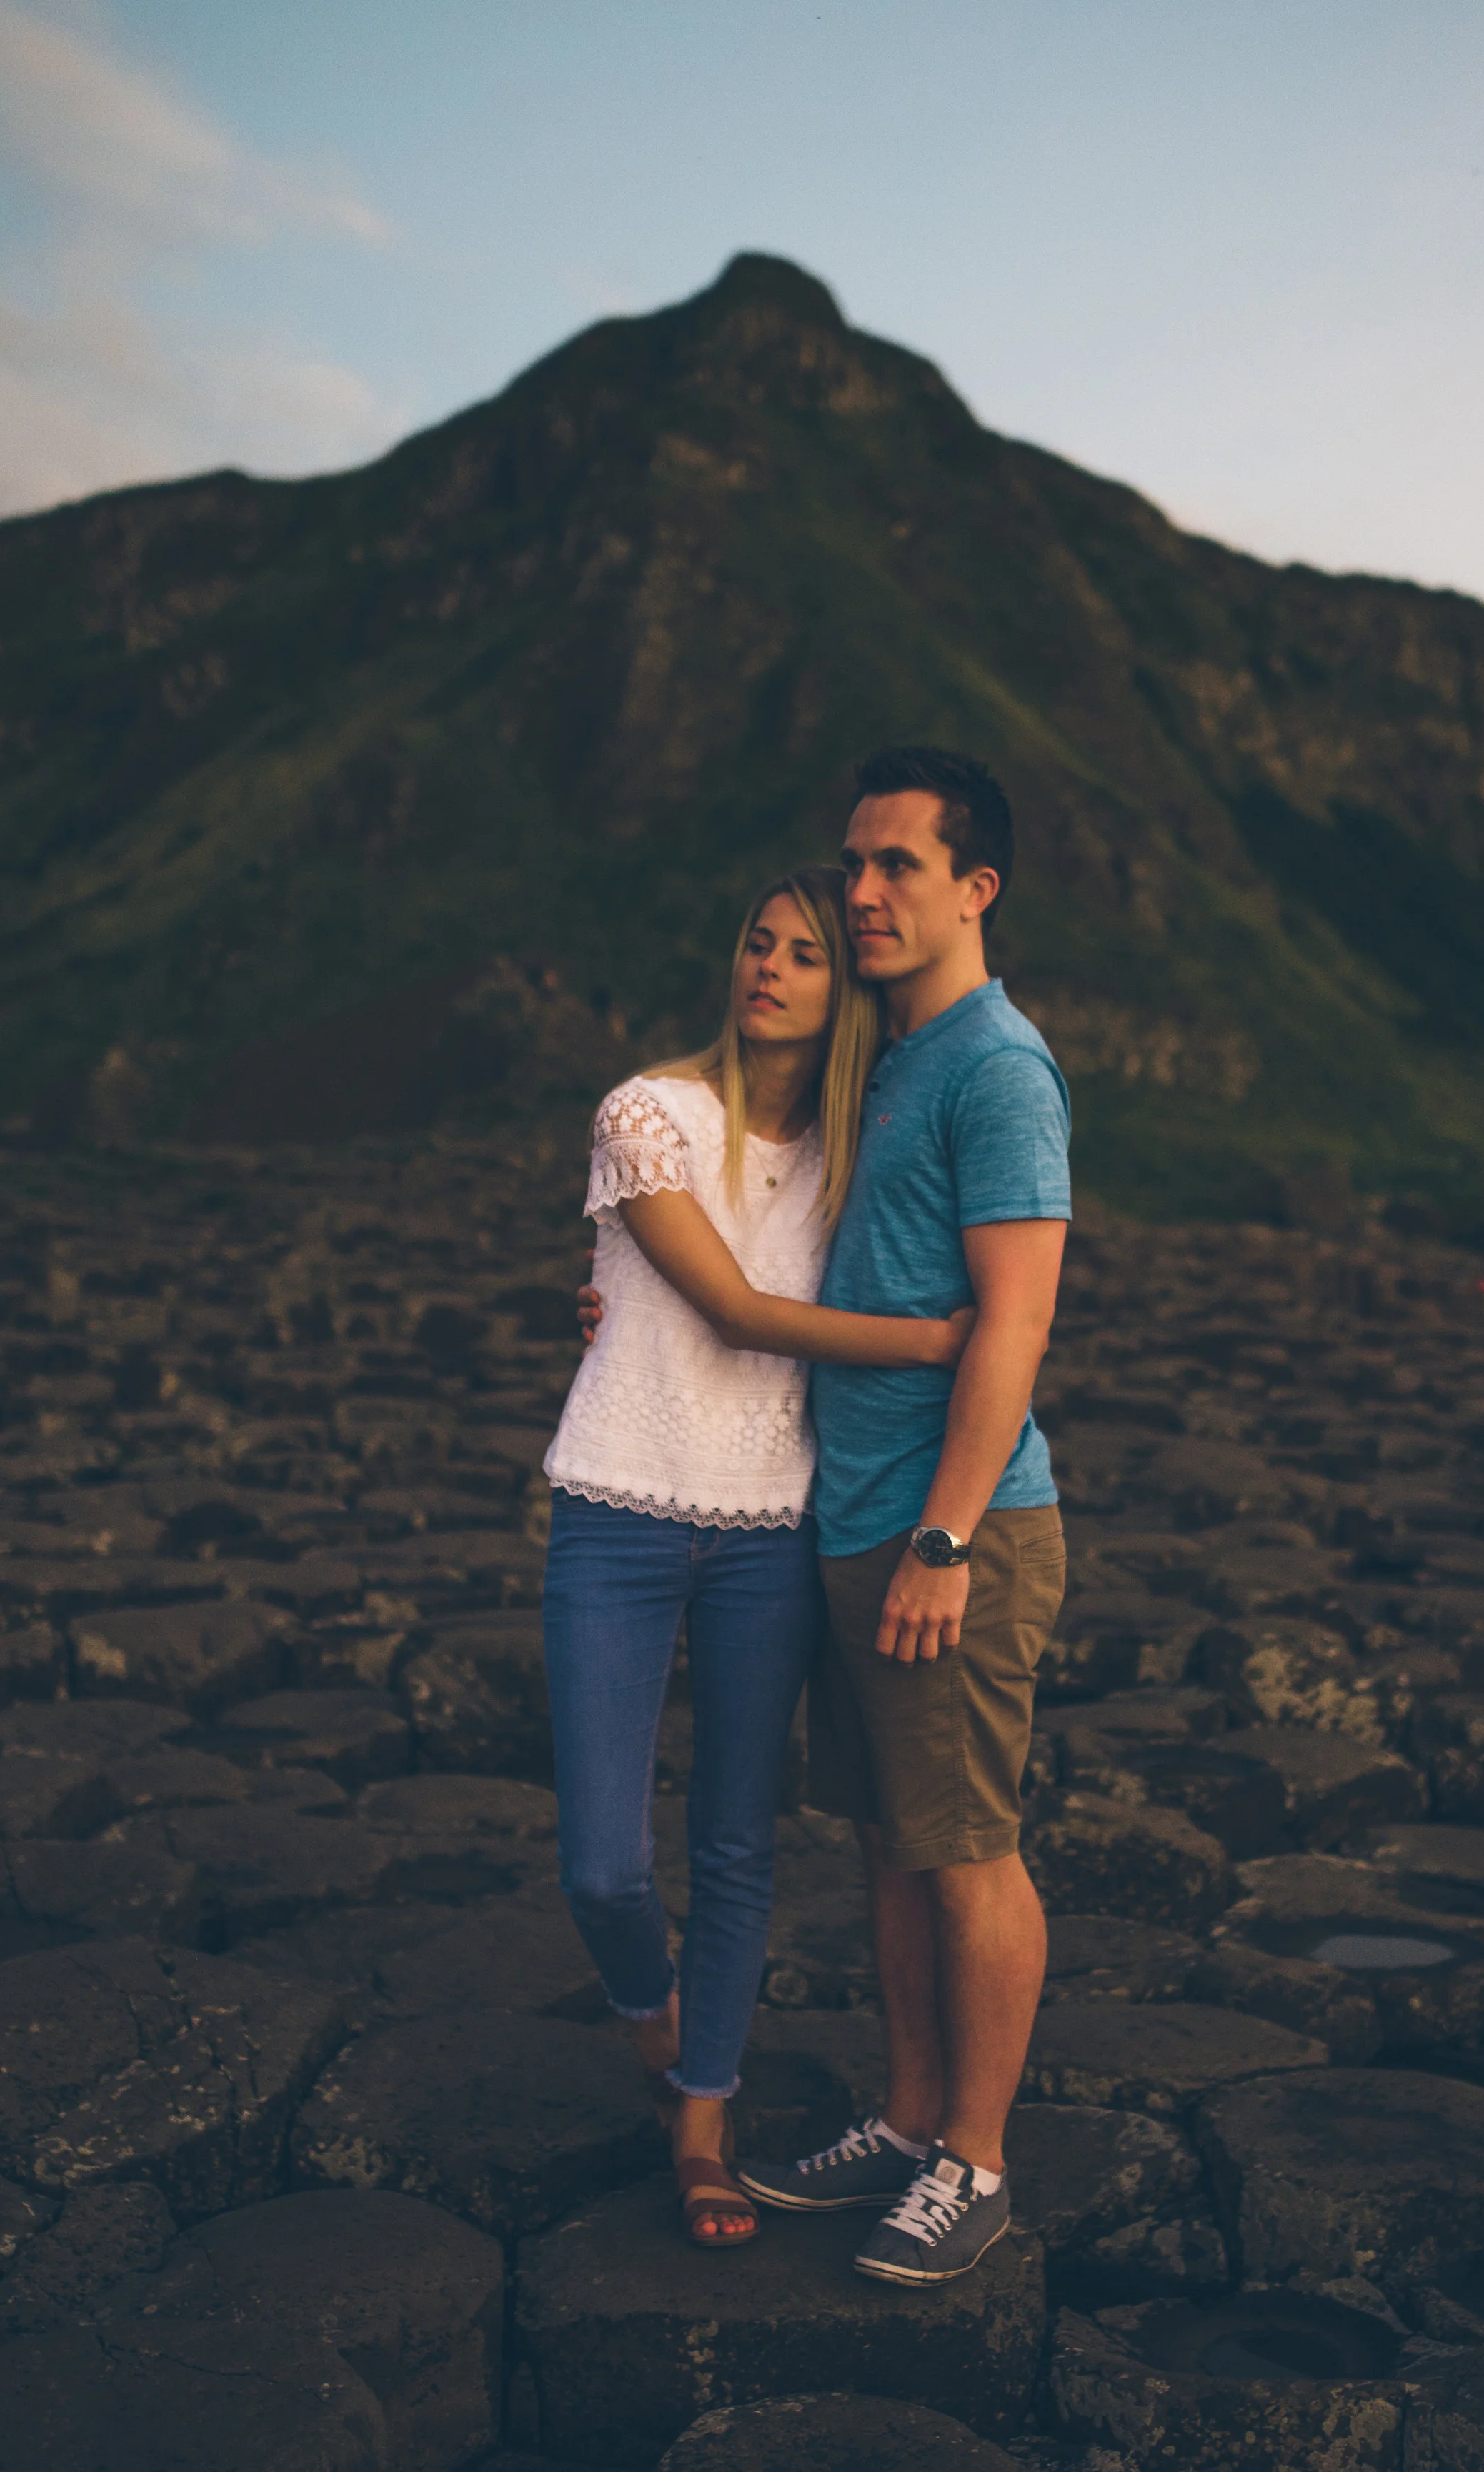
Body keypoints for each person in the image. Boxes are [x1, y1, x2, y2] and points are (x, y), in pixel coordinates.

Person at [542, 865, 976, 2250]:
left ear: (842, 991)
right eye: (754, 942)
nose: (771, 967)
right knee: (603, 1863)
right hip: (613, 1506)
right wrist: (932, 1344)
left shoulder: (853, 1160)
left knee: (735, 1841)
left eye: (802, 951)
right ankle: (652, 2010)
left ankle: (702, 2125)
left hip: (770, 1528)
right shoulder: (646, 1112)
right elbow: (726, 1309)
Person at [736, 747, 1071, 2289]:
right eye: (850, 862)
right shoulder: (895, 1051)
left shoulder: (997, 1066)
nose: (859, 892)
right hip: (853, 1515)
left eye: (896, 868)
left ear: (972, 888)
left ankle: (976, 2162)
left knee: (965, 1851)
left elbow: (1012, 1321)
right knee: (886, 1842)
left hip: (957, 1529)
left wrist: (942, 1538)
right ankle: (907, 2113)